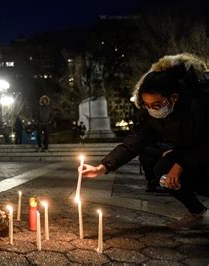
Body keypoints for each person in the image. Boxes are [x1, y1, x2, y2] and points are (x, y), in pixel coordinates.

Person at [80, 54, 209, 229]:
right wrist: (102, 167)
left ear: (173, 98)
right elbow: (133, 142)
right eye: (146, 105)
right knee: (162, 170)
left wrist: (180, 165)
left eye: (156, 104)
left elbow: (203, 141)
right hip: (187, 153)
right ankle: (197, 213)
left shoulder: (198, 106)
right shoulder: (151, 116)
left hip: (203, 151)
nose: (151, 110)